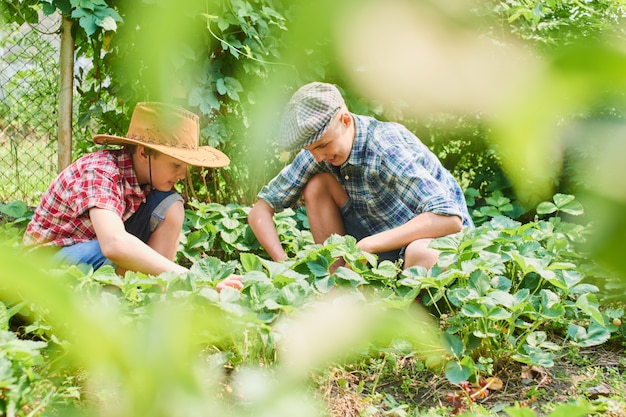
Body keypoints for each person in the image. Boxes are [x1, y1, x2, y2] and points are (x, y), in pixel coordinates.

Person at [248, 82, 473, 270]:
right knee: (317, 185)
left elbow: (450, 219)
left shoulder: (386, 147)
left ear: (345, 120)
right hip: (378, 243)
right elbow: (260, 210)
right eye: (311, 151)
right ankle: (336, 283)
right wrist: (282, 264)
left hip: (429, 238)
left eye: (323, 145)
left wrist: (369, 245)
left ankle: (408, 311)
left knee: (421, 253)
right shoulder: (321, 152)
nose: (318, 158)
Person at [23, 102, 243, 292]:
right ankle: (106, 309)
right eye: (176, 164)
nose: (182, 174)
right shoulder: (101, 171)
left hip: (90, 251)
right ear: (144, 152)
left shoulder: (145, 178)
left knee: (171, 205)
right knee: (119, 247)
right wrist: (194, 278)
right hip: (46, 268)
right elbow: (113, 245)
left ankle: (153, 296)